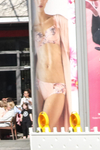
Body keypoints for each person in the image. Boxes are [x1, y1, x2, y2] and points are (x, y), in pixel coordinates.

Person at [34, 0, 71, 131]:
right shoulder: (31, 27)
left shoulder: (59, 21)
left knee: (46, 127)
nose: (39, 1)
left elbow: (71, 50)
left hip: (57, 83)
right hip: (39, 83)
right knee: (39, 127)